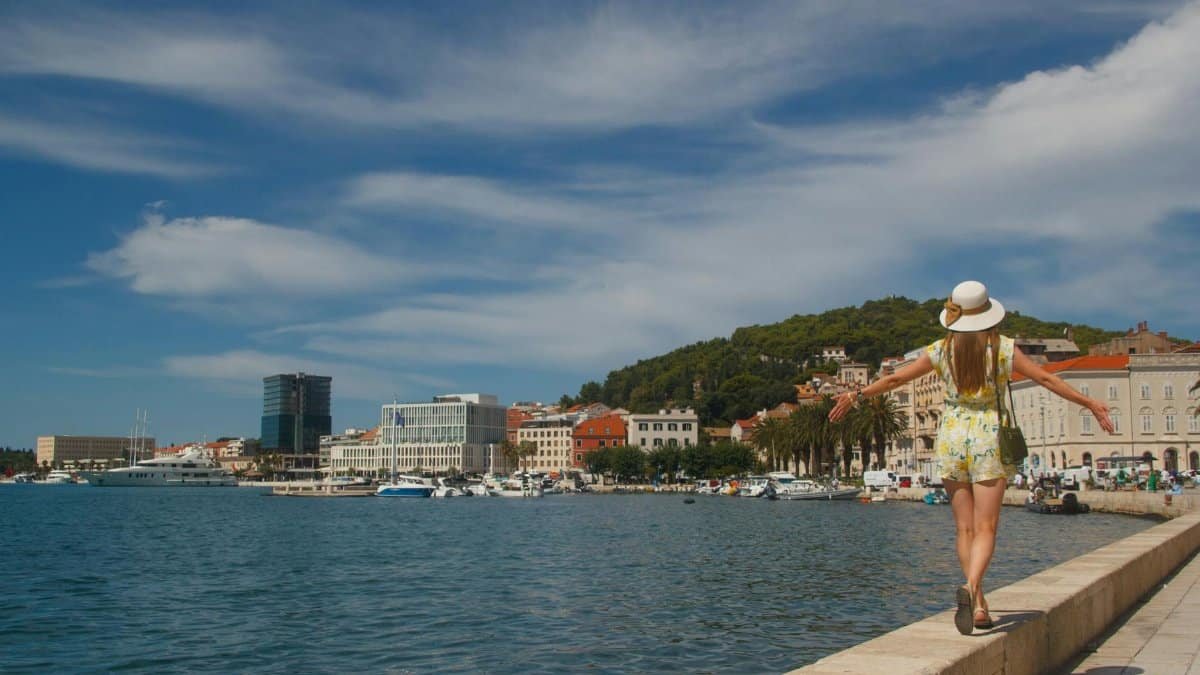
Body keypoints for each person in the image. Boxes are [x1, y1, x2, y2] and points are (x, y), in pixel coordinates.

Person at [830, 280, 1114, 635]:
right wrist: (1088, 402)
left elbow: (893, 380)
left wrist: (857, 395)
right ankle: (971, 587)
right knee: (986, 527)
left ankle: (979, 603)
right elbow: (1046, 379)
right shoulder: (1003, 349)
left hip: (950, 439)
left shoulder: (939, 350)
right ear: (988, 315)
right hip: (988, 439)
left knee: (963, 528)